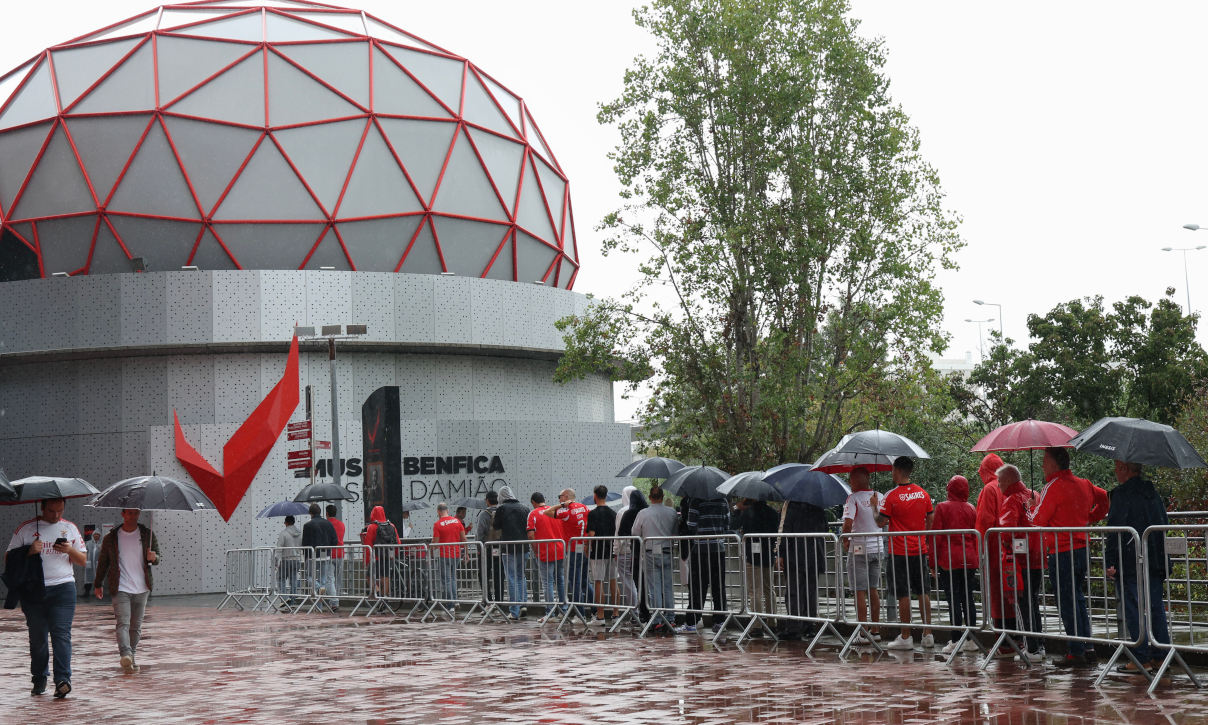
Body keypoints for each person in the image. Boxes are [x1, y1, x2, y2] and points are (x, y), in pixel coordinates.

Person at [1028, 446, 1109, 667]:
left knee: (1066, 601)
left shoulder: (1052, 487)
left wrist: (1030, 507)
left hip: (1061, 551)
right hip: (1081, 549)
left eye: (1045, 460)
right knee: (1078, 598)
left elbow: (1038, 520)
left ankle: (1075, 651)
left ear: (1054, 463)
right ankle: (1088, 647)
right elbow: (1104, 499)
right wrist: (1090, 518)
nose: (1043, 464)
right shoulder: (1084, 484)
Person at [7, 498, 87, 698]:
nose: (56, 515)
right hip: (34, 591)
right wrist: (29, 551)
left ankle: (63, 680)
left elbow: (84, 561)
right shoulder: (25, 529)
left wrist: (69, 550)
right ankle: (39, 676)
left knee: (61, 635)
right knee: (38, 639)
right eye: (51, 511)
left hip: (63, 589)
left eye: (60, 511)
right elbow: (8, 559)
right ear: (42, 508)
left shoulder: (69, 528)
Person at [1104, 460, 1170, 674]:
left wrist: (1109, 561)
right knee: (1155, 607)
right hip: (1155, 558)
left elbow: (1115, 529)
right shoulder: (1153, 493)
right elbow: (1164, 522)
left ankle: (1141, 658)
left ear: (1124, 469)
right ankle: (1162, 655)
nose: (1115, 471)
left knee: (1132, 607)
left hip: (1130, 560)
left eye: (1117, 467)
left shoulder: (1121, 495)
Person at [876, 456, 935, 650]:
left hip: (899, 551)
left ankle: (906, 636)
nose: (891, 473)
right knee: (923, 591)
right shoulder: (923, 494)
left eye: (893, 470)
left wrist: (874, 506)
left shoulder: (891, 497)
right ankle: (928, 634)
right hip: (919, 549)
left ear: (898, 471)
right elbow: (930, 517)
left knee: (903, 593)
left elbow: (880, 522)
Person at [92, 508, 160, 674]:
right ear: (123, 514)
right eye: (129, 513)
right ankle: (126, 654)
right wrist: (98, 583)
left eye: (135, 513)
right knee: (123, 623)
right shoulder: (111, 537)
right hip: (120, 586)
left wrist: (154, 557)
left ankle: (131, 657)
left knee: (136, 627)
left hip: (142, 587)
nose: (132, 516)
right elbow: (103, 562)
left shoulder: (147, 534)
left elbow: (157, 558)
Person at [997, 463, 1045, 658]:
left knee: (1024, 603)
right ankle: (1039, 645)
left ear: (1008, 480)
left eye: (1000, 481)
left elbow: (1007, 531)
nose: (998, 485)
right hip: (1038, 556)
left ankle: (1031, 647)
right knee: (1033, 601)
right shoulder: (1034, 495)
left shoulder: (1010, 500)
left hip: (1021, 560)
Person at [929, 475, 979, 654]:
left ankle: (956, 639)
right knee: (968, 598)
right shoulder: (971, 508)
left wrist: (932, 561)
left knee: (953, 600)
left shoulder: (943, 507)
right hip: (969, 559)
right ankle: (972, 639)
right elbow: (975, 535)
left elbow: (937, 537)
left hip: (949, 560)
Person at [842, 467, 883, 642]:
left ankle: (862, 632)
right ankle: (876, 630)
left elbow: (847, 524)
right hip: (878, 548)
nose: (850, 483)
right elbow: (882, 520)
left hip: (859, 548)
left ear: (856, 480)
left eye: (851, 479)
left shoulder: (853, 498)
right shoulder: (879, 496)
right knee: (873, 589)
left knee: (859, 591)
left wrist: (845, 541)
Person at [631, 485, 679, 633]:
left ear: (650, 497)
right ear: (663, 497)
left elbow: (634, 532)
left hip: (650, 551)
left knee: (654, 587)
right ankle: (670, 618)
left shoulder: (643, 513)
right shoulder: (671, 512)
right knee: (668, 586)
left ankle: (657, 619)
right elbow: (675, 531)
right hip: (667, 550)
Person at [779, 499, 828, 639]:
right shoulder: (819, 506)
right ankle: (809, 625)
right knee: (810, 592)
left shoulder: (792, 506)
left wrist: (781, 553)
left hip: (795, 554)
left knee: (794, 591)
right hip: (815, 553)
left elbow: (786, 529)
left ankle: (794, 627)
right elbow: (825, 528)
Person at [683, 494, 729, 634]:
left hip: (700, 549)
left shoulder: (696, 500)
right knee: (718, 587)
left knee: (698, 587)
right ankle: (720, 621)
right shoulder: (723, 500)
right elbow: (727, 524)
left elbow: (691, 525)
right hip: (718, 549)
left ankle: (693, 621)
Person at [543, 488, 591, 617]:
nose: (559, 499)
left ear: (567, 497)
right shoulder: (584, 508)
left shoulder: (567, 511)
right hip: (585, 547)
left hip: (574, 549)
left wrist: (563, 505)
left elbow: (547, 512)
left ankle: (580, 614)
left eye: (560, 497)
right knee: (585, 581)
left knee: (574, 581)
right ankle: (595, 611)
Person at [736, 497, 779, 634]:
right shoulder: (772, 513)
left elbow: (734, 525)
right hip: (769, 553)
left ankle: (757, 625)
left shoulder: (748, 513)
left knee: (755, 591)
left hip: (753, 555)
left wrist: (739, 508)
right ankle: (772, 622)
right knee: (769, 589)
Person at [491, 485, 530, 619]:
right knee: (521, 576)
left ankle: (514, 610)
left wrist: (495, 515)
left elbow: (496, 526)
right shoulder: (525, 508)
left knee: (511, 578)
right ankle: (523, 604)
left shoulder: (501, 509)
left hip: (508, 548)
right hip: (524, 547)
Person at [527, 492, 566, 621]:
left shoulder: (533, 514)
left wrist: (536, 551)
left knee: (547, 582)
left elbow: (531, 535)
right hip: (560, 549)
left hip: (544, 552)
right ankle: (563, 610)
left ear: (533, 502)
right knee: (560, 579)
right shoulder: (554, 511)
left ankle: (550, 612)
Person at [586, 485, 619, 625]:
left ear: (595, 495)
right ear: (606, 495)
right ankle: (616, 614)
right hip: (611, 551)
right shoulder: (613, 513)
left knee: (598, 582)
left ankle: (600, 616)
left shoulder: (593, 514)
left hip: (598, 552)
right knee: (613, 581)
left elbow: (591, 534)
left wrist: (588, 548)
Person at [616, 486, 649, 622]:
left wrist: (616, 550)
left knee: (633, 582)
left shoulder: (626, 512)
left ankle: (637, 611)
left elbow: (620, 532)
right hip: (648, 552)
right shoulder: (647, 511)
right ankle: (654, 612)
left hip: (631, 552)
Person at [301, 503, 339, 610]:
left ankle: (318, 591)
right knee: (323, 579)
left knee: (309, 576)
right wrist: (328, 549)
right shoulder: (328, 523)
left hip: (312, 555)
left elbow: (305, 543)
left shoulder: (307, 525)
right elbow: (335, 540)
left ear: (310, 513)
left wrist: (306, 556)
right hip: (324, 554)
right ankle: (320, 595)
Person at [432, 502, 467, 610]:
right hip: (456, 554)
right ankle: (455, 601)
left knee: (446, 579)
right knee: (452, 578)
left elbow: (436, 542)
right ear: (447, 511)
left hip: (444, 555)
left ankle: (450, 604)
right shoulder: (457, 521)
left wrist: (430, 547)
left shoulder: (437, 524)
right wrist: (466, 553)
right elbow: (463, 539)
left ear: (438, 511)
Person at [360, 506, 399, 598]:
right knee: (385, 577)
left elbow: (368, 545)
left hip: (376, 557)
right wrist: (394, 555)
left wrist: (366, 561)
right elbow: (398, 542)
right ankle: (384, 598)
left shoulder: (372, 527)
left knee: (369, 576)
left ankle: (377, 592)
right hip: (388, 556)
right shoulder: (392, 526)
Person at [477, 491, 503, 604]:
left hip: (486, 549)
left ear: (487, 500)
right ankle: (499, 602)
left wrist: (479, 548)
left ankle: (487, 600)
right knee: (499, 575)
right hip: (501, 548)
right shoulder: (502, 512)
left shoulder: (484, 514)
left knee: (483, 574)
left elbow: (479, 533)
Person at [275, 515, 303, 605]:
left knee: (281, 578)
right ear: (294, 522)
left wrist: (276, 561)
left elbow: (279, 548)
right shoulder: (300, 533)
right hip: (296, 559)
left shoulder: (283, 533)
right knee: (293, 580)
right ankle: (293, 600)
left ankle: (284, 598)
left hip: (286, 559)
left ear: (286, 523)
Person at [325, 505, 345, 602]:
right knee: (338, 578)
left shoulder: (326, 524)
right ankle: (337, 597)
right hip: (340, 553)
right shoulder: (341, 524)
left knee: (329, 578)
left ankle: (334, 600)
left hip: (329, 554)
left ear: (327, 513)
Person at [83, 530, 101, 598]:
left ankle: (99, 593)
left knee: (99, 578)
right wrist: (85, 561)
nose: (96, 536)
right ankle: (87, 592)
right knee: (88, 578)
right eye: (95, 534)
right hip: (90, 563)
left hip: (98, 564)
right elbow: (84, 552)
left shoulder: (101, 543)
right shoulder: (88, 543)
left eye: (98, 535)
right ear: (93, 535)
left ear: (100, 536)